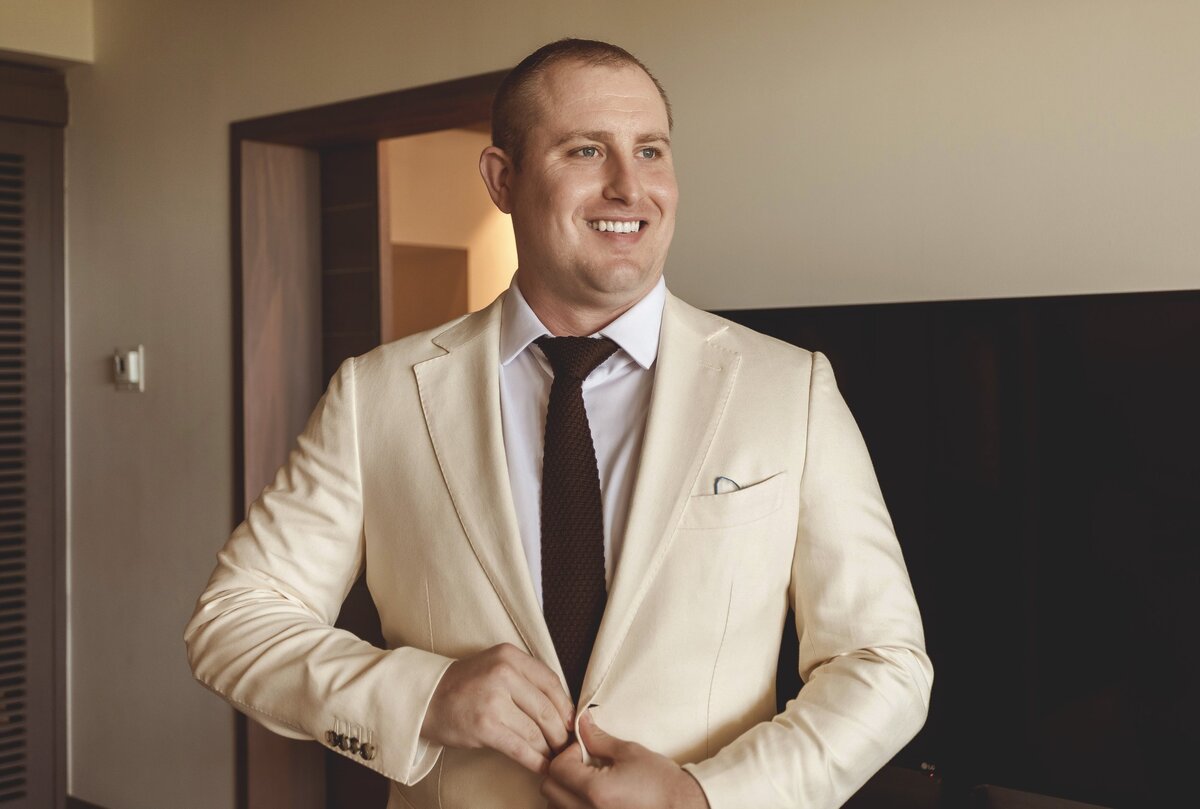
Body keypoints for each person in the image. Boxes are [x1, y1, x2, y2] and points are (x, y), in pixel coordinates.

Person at [185, 38, 932, 809]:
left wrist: (703, 798)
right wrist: (427, 694)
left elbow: (885, 661)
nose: (628, 186)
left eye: (650, 151)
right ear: (502, 179)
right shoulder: (376, 396)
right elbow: (234, 623)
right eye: (586, 149)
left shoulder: (792, 389)